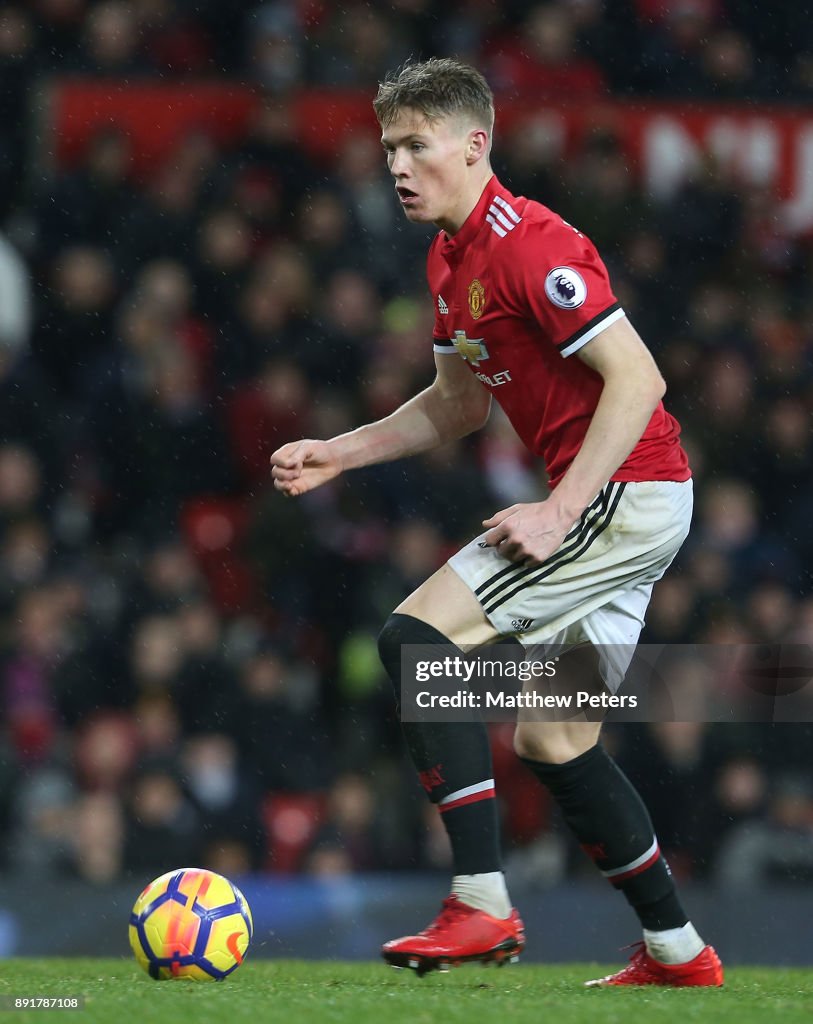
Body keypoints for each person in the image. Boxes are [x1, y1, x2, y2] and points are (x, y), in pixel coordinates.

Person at [271, 58, 723, 988]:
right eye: (387, 146)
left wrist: (562, 509)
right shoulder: (449, 258)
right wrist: (340, 451)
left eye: (416, 145)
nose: (396, 164)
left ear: (474, 146)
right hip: (631, 500)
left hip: (621, 496)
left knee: (416, 639)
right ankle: (679, 954)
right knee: (553, 740)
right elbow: (456, 406)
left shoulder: (530, 246)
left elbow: (639, 380)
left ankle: (480, 904)